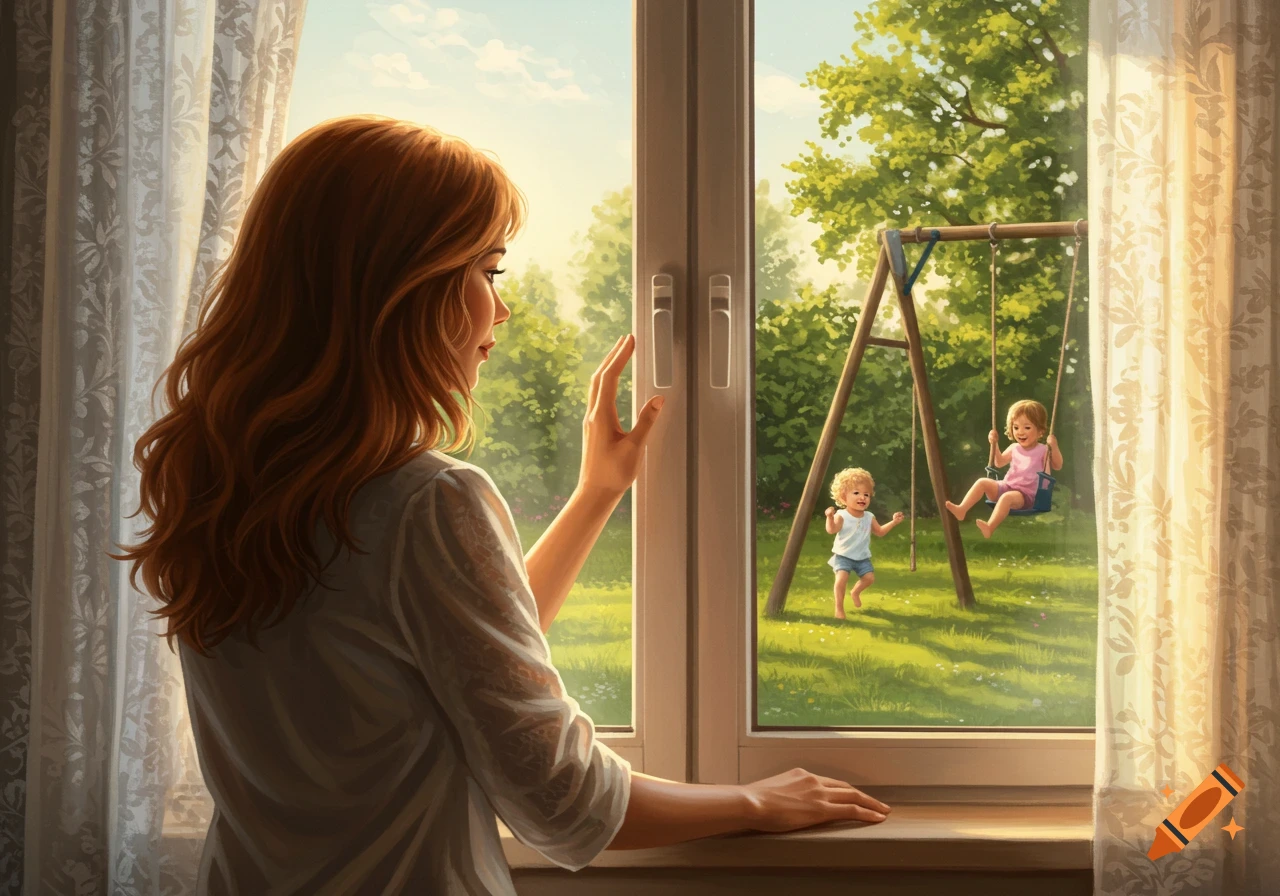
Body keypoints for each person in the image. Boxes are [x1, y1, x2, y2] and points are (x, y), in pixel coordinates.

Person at [111, 115, 890, 896]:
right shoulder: (427, 501)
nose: (501, 311)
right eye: (489, 272)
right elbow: (563, 800)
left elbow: (459, 657)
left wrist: (596, 494)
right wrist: (754, 799)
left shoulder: (214, 484)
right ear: (400, 287)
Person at [945, 399, 1064, 537]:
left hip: (1027, 496)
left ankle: (990, 527)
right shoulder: (1014, 448)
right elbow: (999, 462)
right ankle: (962, 510)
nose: (1020, 432)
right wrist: (994, 444)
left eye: (1027, 427)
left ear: (1040, 431)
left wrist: (1053, 446)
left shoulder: (1043, 450)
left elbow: (1058, 465)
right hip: (1006, 486)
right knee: (982, 482)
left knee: (1006, 497)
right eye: (1016, 427)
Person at [824, 468, 904, 618]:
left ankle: (855, 592)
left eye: (866, 494)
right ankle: (839, 609)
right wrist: (829, 517)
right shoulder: (842, 515)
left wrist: (893, 522)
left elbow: (879, 532)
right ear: (843, 497)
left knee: (869, 579)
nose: (862, 497)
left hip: (862, 557)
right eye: (856, 493)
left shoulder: (869, 516)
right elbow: (832, 530)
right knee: (841, 580)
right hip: (844, 556)